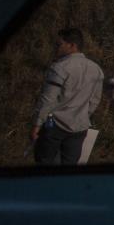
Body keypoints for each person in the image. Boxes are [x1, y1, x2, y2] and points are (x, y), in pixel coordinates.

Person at [32, 28, 104, 165]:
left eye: (59, 44)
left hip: (54, 125)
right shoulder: (96, 69)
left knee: (44, 166)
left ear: (72, 45)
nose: (56, 48)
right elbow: (95, 100)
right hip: (79, 128)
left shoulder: (60, 67)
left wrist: (37, 124)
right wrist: (83, 115)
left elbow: (48, 100)